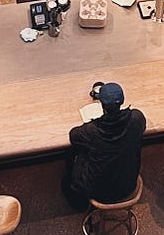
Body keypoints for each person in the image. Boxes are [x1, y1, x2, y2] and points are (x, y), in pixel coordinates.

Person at [61, 82, 146, 211]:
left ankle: (79, 203)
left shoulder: (92, 131)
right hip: (128, 185)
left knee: (71, 161)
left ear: (102, 105)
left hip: (100, 192)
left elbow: (73, 136)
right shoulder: (136, 119)